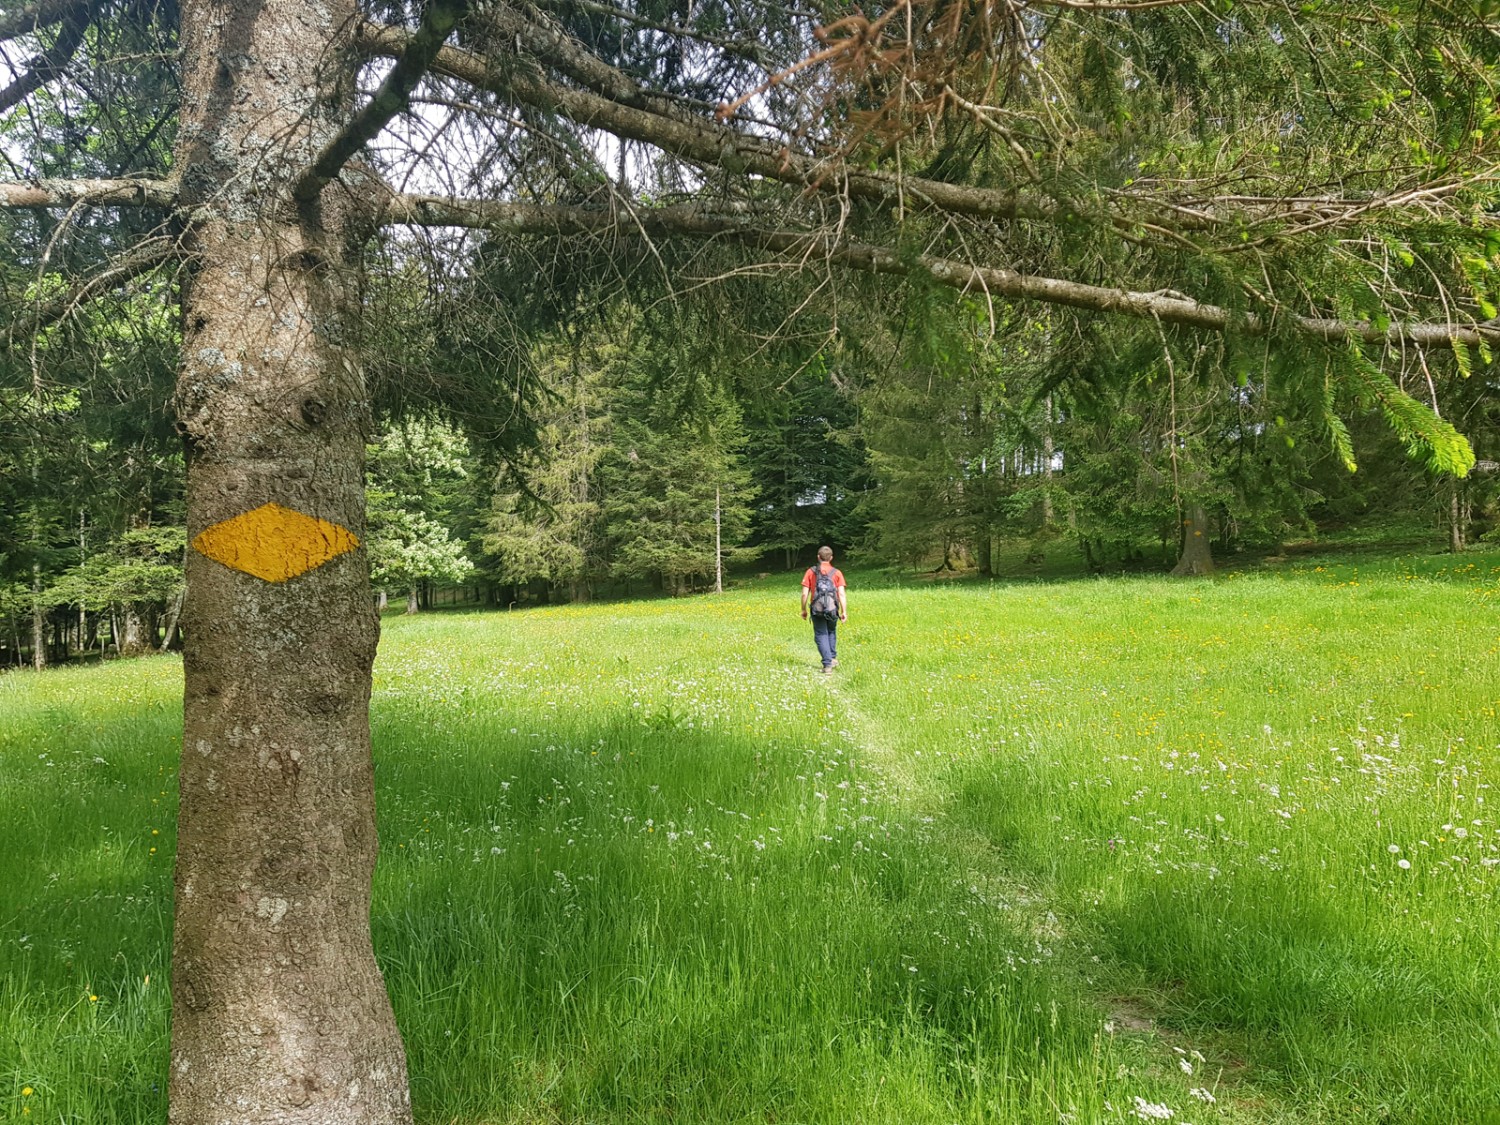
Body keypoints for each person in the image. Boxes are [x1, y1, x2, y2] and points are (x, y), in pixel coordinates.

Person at [800, 545, 847, 673]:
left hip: (817, 609)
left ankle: (827, 664)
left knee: (821, 634)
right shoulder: (837, 573)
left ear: (818, 557)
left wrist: (803, 609)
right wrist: (844, 611)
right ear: (831, 558)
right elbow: (841, 594)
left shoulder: (811, 572)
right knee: (831, 631)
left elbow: (804, 593)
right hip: (832, 609)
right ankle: (832, 658)